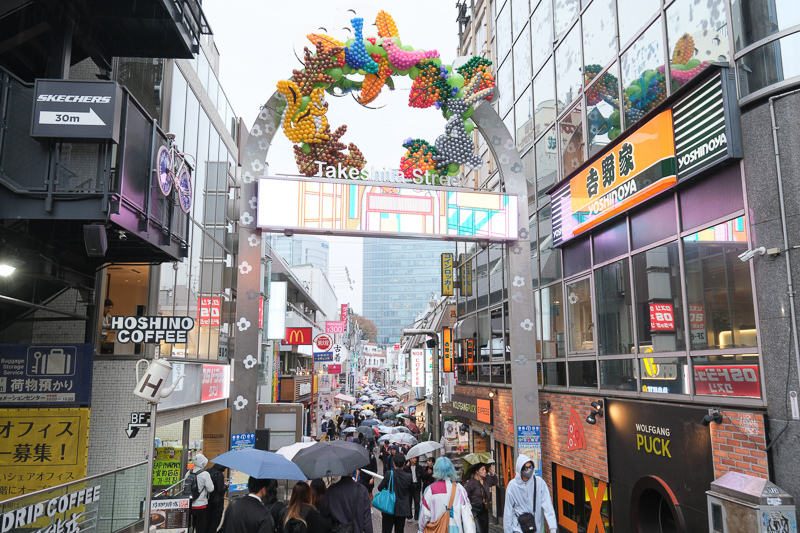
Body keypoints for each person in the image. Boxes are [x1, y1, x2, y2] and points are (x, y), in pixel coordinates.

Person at [418, 457, 475, 533]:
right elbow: (467, 516)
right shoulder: (460, 489)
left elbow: (424, 516)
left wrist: (420, 530)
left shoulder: (430, 490)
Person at [503, 455, 557, 533]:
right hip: (518, 528)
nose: (529, 470)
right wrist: (507, 530)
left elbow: (547, 505)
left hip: (535, 527)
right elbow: (508, 511)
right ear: (520, 469)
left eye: (530, 467)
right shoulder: (512, 486)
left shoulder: (539, 483)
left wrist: (552, 528)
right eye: (526, 468)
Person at [377, 453, 412, 533]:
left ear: (393, 463)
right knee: (400, 530)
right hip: (402, 509)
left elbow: (380, 488)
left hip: (388, 507)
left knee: (386, 530)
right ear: (404, 463)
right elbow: (412, 491)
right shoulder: (408, 477)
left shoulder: (389, 474)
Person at [186, 454, 215, 533]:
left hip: (189, 505)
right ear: (203, 463)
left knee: (189, 527)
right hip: (201, 505)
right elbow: (211, 489)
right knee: (200, 527)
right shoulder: (205, 474)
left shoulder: (188, 473)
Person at [464, 464, 491, 533]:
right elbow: (465, 496)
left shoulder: (486, 480)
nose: (485, 471)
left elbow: (495, 481)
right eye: (483, 469)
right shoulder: (471, 483)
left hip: (484, 509)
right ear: (477, 472)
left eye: (485, 469)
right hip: (474, 510)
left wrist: (492, 473)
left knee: (485, 530)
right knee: (478, 530)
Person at [207, 463, 228, 533]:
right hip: (218, 500)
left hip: (208, 499)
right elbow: (220, 489)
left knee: (208, 518)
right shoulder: (219, 474)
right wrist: (226, 485)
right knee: (216, 519)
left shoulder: (208, 471)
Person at [403, 456, 424, 522]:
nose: (415, 460)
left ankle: (417, 517)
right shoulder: (406, 468)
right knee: (409, 502)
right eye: (413, 458)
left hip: (417, 486)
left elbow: (422, 476)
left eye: (416, 458)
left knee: (417, 502)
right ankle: (409, 516)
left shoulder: (419, 467)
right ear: (410, 459)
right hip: (409, 487)